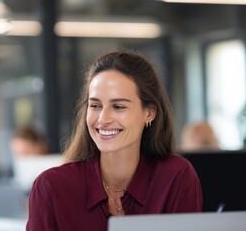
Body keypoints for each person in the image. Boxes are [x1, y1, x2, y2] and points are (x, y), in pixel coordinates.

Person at [26, 50, 203, 230]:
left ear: (149, 113)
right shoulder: (51, 187)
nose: (103, 118)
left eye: (118, 106)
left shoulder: (177, 177)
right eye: (95, 105)